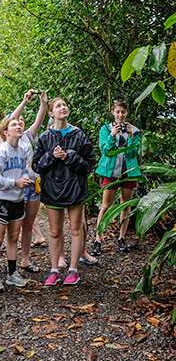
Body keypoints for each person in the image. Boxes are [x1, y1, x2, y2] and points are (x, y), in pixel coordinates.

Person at [32, 97, 96, 286]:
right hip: (52, 190)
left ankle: (73, 270)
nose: (63, 108)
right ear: (51, 113)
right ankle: (53, 270)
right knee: (54, 231)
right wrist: (52, 157)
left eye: (64, 105)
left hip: (75, 189)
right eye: (58, 106)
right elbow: (37, 165)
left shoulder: (78, 135)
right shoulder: (45, 138)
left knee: (76, 230)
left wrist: (70, 157)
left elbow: (89, 164)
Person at [0, 118, 33, 292]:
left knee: (13, 238)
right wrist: (15, 182)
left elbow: (24, 172)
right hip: (1, 199)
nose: (19, 126)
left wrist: (28, 180)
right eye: (14, 125)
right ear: (5, 132)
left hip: (18, 199)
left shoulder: (22, 150)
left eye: (20, 124)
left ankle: (12, 273)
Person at [7, 90, 49, 272]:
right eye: (16, 122)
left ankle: (25, 260)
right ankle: (12, 262)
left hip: (32, 185)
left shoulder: (27, 137)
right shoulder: (6, 138)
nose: (20, 124)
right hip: (17, 187)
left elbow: (39, 121)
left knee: (28, 226)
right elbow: (9, 121)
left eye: (22, 121)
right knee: (14, 227)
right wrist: (24, 101)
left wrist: (43, 103)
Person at [93, 99, 142, 253]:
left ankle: (122, 238)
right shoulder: (106, 130)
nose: (120, 115)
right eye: (117, 112)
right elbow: (106, 151)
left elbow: (133, 153)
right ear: (113, 112)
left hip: (128, 172)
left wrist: (131, 137)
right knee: (105, 206)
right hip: (111, 172)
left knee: (125, 205)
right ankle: (98, 239)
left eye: (123, 112)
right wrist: (112, 135)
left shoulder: (134, 130)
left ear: (127, 113)